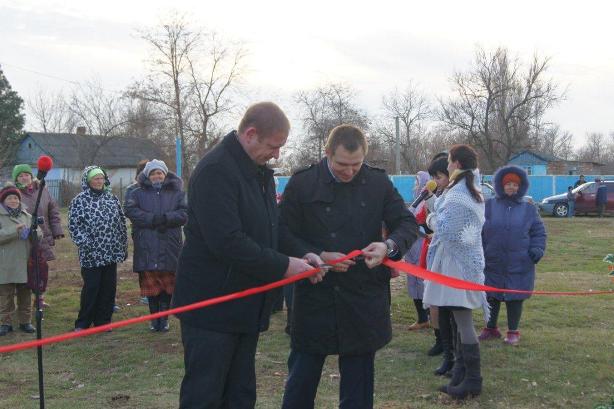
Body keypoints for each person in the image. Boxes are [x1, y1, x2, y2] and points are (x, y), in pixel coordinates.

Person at [172, 102, 321, 409]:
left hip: (244, 304)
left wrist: (302, 253)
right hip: (212, 307)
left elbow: (271, 227)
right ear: (251, 134)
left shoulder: (257, 173)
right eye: (273, 146)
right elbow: (227, 241)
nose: (277, 155)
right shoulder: (216, 170)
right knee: (205, 395)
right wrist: (284, 266)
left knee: (240, 394)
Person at [279, 124, 418, 409]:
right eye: (342, 164)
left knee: (358, 387)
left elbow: (406, 224)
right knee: (301, 380)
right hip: (314, 294)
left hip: (362, 296)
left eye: (357, 165)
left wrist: (387, 246)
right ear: (327, 153)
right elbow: (281, 232)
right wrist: (313, 254)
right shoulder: (303, 183)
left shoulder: (377, 183)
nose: (350, 172)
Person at [422, 144, 488, 399]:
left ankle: (473, 380)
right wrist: (432, 204)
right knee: (459, 321)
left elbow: (448, 229)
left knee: (463, 321)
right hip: (455, 265)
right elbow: (448, 214)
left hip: (457, 267)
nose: (446, 165)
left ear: (457, 164)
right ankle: (461, 374)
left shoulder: (460, 191)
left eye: (449, 161)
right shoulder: (464, 188)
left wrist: (429, 221)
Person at [480, 165, 547, 346]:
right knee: (491, 295)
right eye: (508, 184)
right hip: (492, 261)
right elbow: (479, 231)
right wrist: (480, 252)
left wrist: (537, 249)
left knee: (514, 298)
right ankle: (490, 327)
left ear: (521, 187)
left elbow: (539, 233)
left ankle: (513, 331)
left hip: (519, 263)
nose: (511, 187)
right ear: (501, 185)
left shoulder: (529, 209)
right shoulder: (489, 206)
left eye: (515, 184)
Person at [125, 159, 187, 332]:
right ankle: (154, 319)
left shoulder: (177, 192)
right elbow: (131, 211)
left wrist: (166, 218)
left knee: (168, 285)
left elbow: (184, 213)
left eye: (159, 172)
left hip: (170, 244)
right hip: (147, 244)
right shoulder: (137, 193)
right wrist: (152, 219)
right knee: (151, 285)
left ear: (165, 174)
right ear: (147, 175)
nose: (156, 176)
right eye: (153, 173)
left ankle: (164, 318)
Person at [68, 166, 127, 331]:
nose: (99, 181)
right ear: (88, 181)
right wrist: (87, 244)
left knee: (108, 289)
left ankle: (103, 322)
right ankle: (83, 323)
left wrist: (122, 245)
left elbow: (121, 222)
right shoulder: (79, 200)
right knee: (92, 288)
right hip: (91, 254)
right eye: (96, 178)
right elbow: (74, 227)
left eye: (101, 178)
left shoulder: (111, 198)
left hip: (110, 252)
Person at [13, 163, 64, 309]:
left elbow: (53, 211)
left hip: (42, 236)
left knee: (41, 268)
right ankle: (24, 302)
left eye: (27, 175)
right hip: (22, 238)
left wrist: (57, 230)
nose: (24, 178)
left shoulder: (43, 190)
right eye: (21, 175)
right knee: (24, 269)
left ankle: (40, 298)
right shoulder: (13, 194)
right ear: (16, 178)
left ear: (31, 176)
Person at [421, 156, 452, 364]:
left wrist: (430, 215)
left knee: (446, 301)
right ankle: (440, 339)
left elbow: (440, 221)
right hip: (435, 253)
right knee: (432, 298)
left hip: (448, 257)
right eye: (434, 177)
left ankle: (450, 345)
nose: (436, 181)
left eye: (439, 177)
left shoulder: (454, 196)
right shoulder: (440, 194)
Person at [0, 183, 37, 336]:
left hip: (24, 261)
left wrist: (33, 233)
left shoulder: (28, 216)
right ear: (3, 200)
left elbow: (39, 234)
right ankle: (5, 323)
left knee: (25, 294)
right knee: (5, 295)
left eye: (16, 197)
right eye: (10, 198)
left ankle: (25, 321)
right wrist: (14, 231)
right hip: (5, 262)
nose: (13, 200)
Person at [406, 171, 431, 330]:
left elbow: (429, 225)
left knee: (424, 281)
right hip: (411, 245)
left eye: (418, 182)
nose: (415, 185)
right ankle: (422, 318)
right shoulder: (415, 201)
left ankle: (429, 315)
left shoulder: (429, 201)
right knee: (413, 281)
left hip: (423, 245)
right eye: (415, 182)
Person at [124, 159, 149, 308]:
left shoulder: (162, 189)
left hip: (160, 231)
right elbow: (129, 210)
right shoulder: (132, 189)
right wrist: (148, 218)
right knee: (143, 261)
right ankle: (145, 292)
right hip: (140, 230)